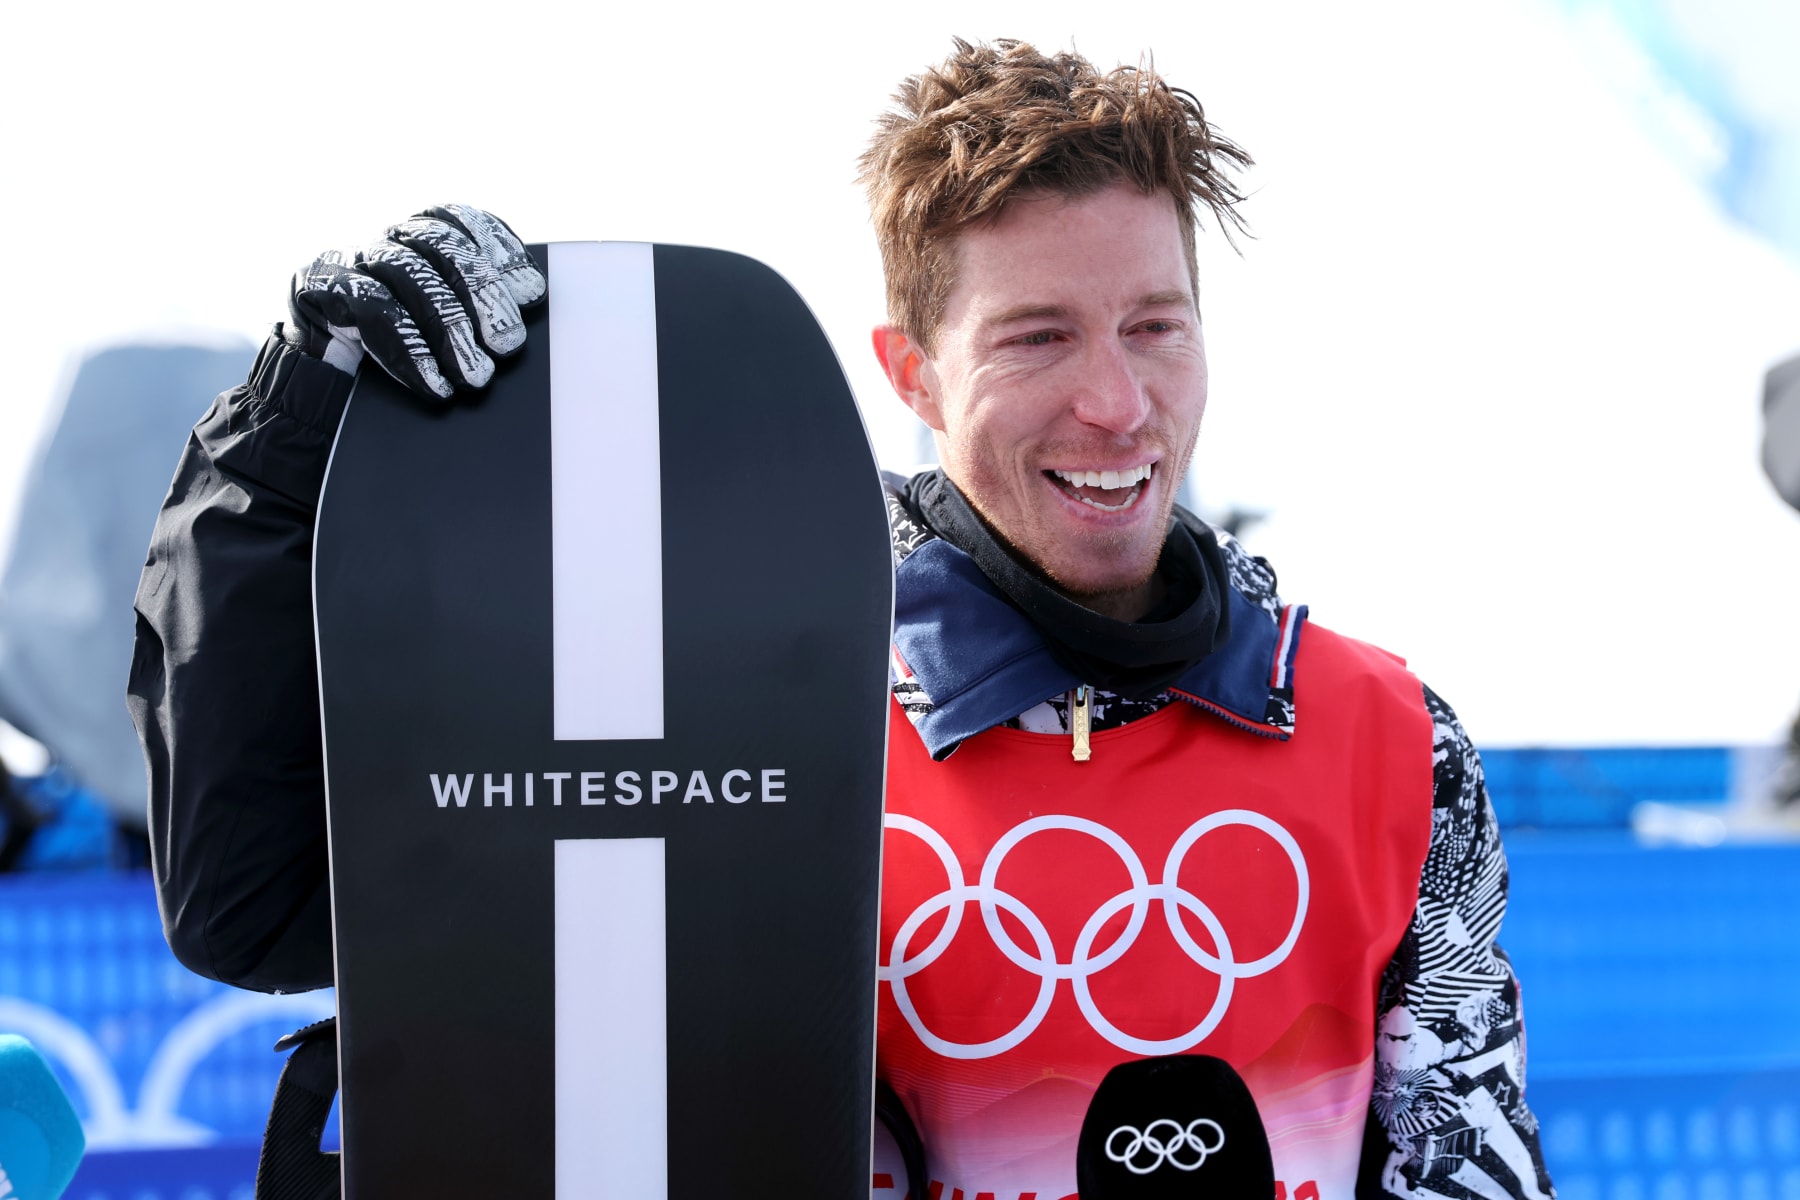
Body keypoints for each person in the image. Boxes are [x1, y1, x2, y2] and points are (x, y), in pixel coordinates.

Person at [128, 40, 1552, 1200]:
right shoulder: (720, 712)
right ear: (912, 372)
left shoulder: (1389, 742)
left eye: (1157, 326)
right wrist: (287, 436)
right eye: (1036, 336)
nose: (1117, 402)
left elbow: (1470, 1163)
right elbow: (253, 905)